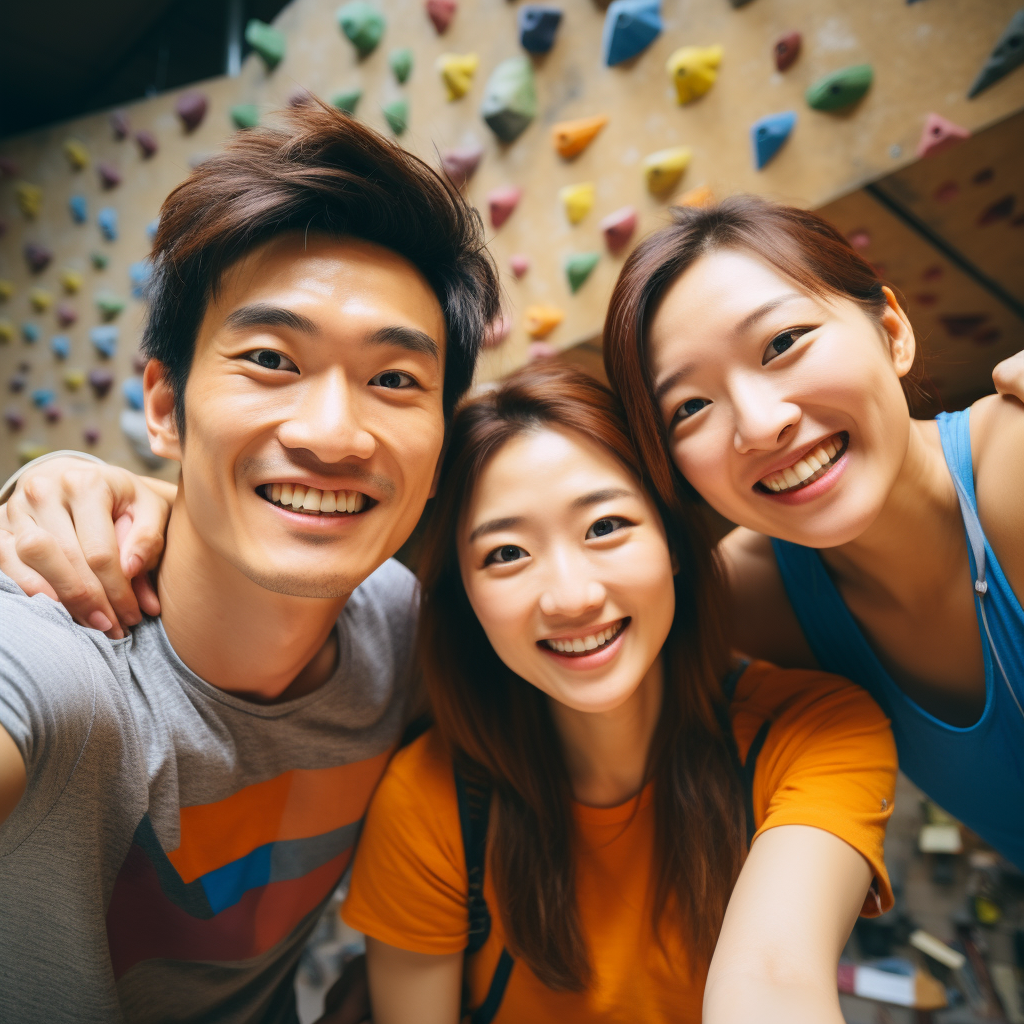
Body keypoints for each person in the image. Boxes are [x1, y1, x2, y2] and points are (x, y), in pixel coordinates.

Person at [0, 99, 499, 1024]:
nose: (333, 434)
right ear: (164, 404)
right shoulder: (59, 658)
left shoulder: (406, 624)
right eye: (271, 358)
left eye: (395, 380)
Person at [337, 362, 897, 1024]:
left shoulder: (817, 734)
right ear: (466, 601)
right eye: (506, 554)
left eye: (604, 527)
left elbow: (775, 979)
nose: (572, 597)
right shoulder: (432, 803)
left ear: (673, 544)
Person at [602, 195, 1024, 869]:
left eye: (782, 343)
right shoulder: (745, 596)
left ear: (892, 332)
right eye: (690, 406)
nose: (760, 423)